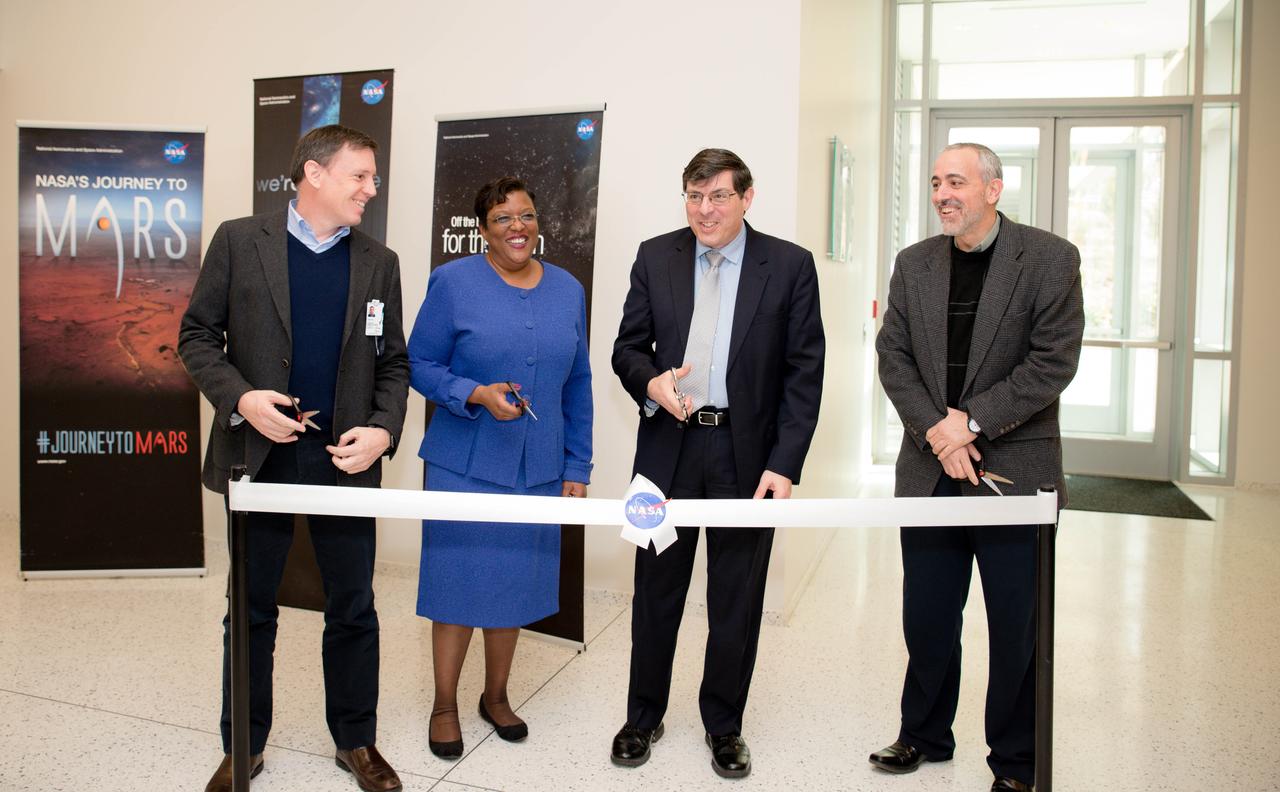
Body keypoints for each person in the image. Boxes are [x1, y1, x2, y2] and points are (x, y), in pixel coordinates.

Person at [179, 124, 408, 792]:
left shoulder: (379, 262)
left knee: (353, 606)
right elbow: (197, 336)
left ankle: (356, 742)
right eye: (359, 175)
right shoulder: (237, 241)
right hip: (259, 459)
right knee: (250, 606)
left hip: (345, 460)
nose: (372, 187)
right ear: (314, 174)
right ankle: (243, 745)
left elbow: (392, 363)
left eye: (373, 177)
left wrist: (382, 432)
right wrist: (242, 400)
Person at [871, 142, 1084, 792]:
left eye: (956, 182)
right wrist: (940, 433)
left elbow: (1052, 363)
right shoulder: (915, 265)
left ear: (993, 189)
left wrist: (970, 422)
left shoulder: (1049, 259)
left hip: (1015, 475)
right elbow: (894, 356)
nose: (942, 193)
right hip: (931, 469)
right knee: (928, 617)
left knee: (1014, 627)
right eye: (936, 182)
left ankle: (1016, 764)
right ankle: (925, 734)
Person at [610, 148, 825, 779]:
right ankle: (642, 715)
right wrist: (649, 383)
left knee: (737, 598)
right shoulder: (657, 255)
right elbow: (627, 348)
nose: (705, 210)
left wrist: (785, 463)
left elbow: (803, 373)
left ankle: (724, 726)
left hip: (747, 458)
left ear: (747, 198)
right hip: (666, 452)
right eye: (694, 197)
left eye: (719, 197)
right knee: (654, 592)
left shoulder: (788, 265)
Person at [407, 177, 593, 760]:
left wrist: (578, 462)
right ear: (483, 229)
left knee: (512, 586)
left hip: (538, 465)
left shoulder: (567, 289)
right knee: (457, 586)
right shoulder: (453, 283)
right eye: (504, 217)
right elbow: (418, 363)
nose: (519, 226)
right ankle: (444, 704)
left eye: (528, 215)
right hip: (464, 462)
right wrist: (474, 393)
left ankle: (496, 695)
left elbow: (579, 381)